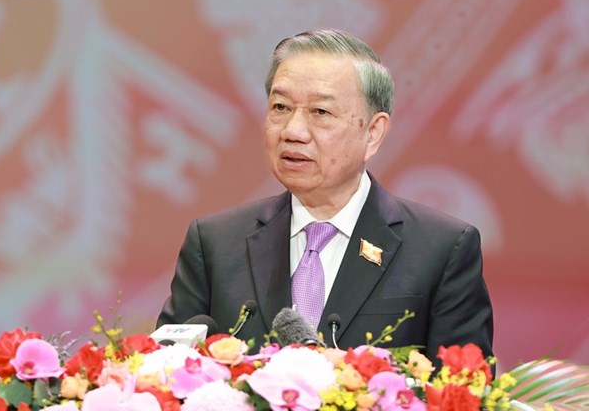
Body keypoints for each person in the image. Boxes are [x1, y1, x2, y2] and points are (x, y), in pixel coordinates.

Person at [157, 29, 493, 364]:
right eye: (280, 107)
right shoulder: (214, 244)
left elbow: (462, 384)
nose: (292, 131)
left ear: (373, 132)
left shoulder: (441, 249)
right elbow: (166, 375)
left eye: (320, 112)